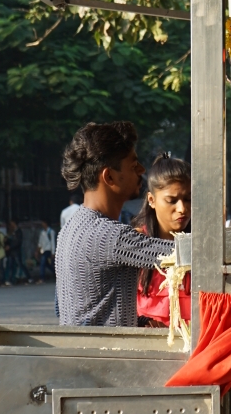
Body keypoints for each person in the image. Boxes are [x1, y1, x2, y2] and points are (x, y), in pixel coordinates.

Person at [55, 122, 177, 328]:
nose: (142, 170)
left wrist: (139, 321)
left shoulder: (70, 229)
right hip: (104, 357)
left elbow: (69, 308)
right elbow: (184, 255)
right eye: (133, 165)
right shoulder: (111, 236)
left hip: (81, 352)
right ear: (109, 176)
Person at [132, 153, 192, 326]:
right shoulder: (135, 242)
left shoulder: (201, 244)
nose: (182, 208)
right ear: (151, 200)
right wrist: (144, 322)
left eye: (187, 199)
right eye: (171, 200)